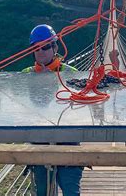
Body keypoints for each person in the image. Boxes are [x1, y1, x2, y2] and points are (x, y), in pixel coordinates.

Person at [23, 24, 82, 196]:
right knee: (43, 192)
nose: (40, 51)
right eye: (36, 48)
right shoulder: (25, 75)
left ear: (55, 47)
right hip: (40, 144)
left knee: (71, 192)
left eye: (45, 46)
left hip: (68, 142)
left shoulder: (71, 74)